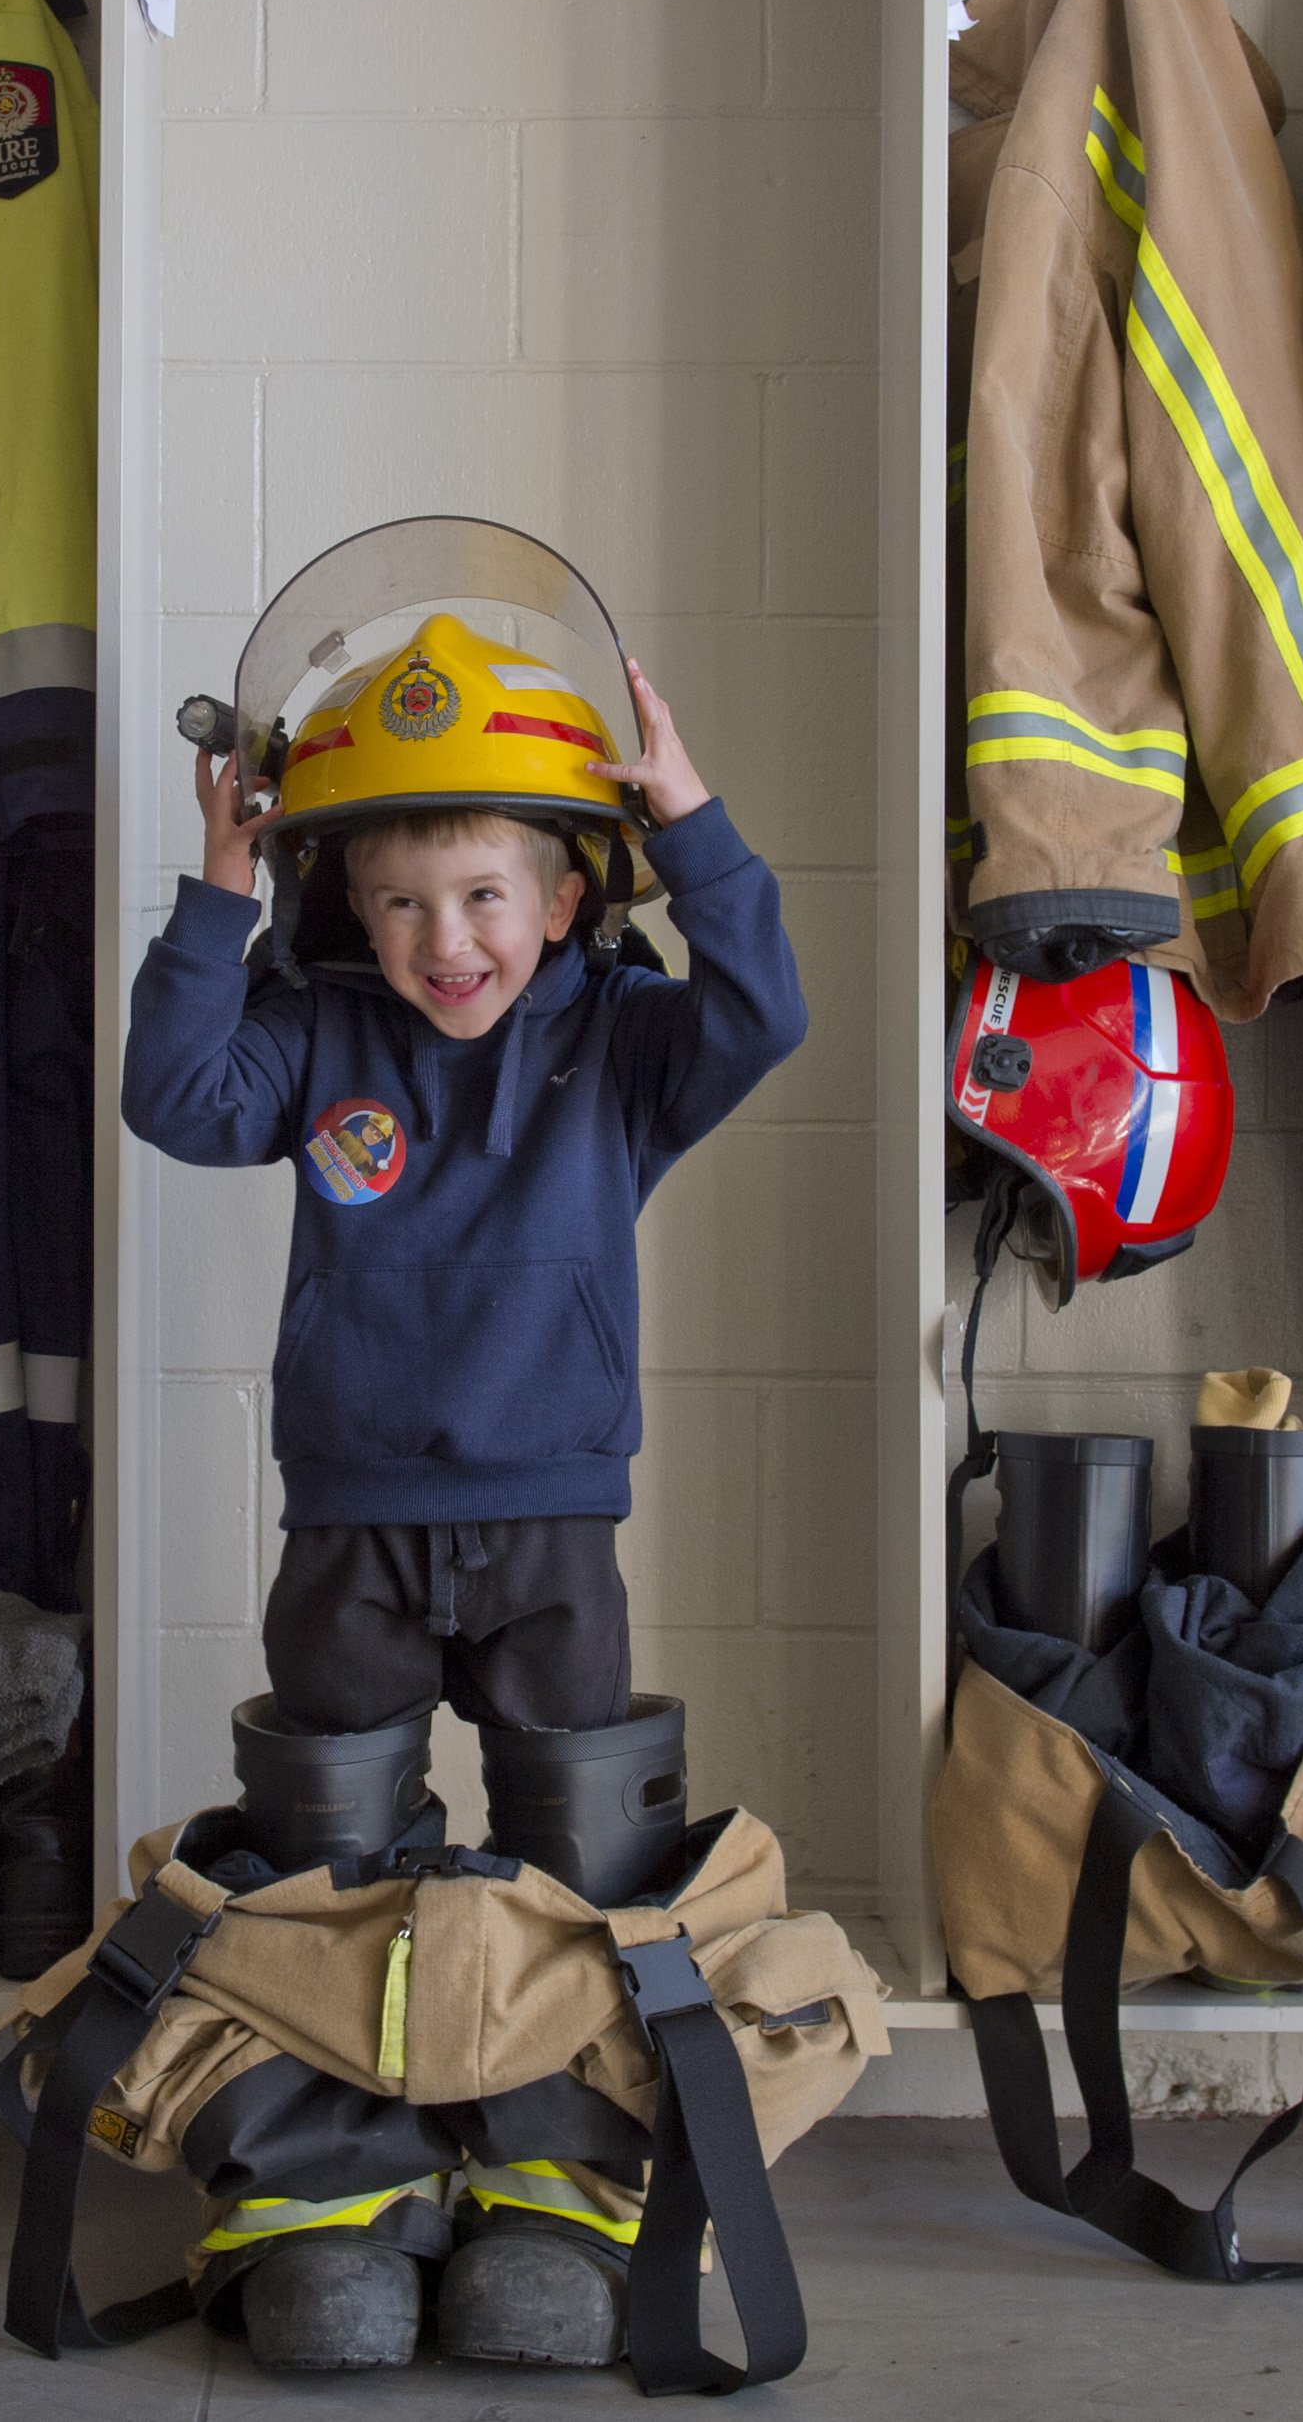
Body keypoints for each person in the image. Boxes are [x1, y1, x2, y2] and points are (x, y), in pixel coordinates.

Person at [119, 608, 806, 2375]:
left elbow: (767, 1010)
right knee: (327, 1866)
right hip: (348, 1518)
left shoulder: (625, 1047)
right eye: (407, 900)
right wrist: (218, 894)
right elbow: (175, 1094)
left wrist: (695, 821)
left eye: (492, 895)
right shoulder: (312, 1036)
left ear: (571, 896)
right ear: (347, 902)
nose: (451, 940)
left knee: (582, 1873)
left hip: (552, 1524)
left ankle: (558, 2192)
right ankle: (331, 2197)